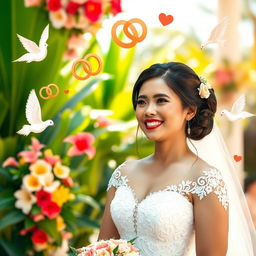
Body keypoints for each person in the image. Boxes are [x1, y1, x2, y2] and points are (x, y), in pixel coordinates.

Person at [97, 62, 256, 255]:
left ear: (190, 111)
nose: (148, 110)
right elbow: (102, 248)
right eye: (142, 101)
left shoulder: (204, 179)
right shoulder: (123, 173)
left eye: (161, 100)